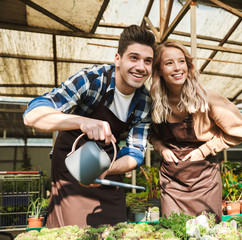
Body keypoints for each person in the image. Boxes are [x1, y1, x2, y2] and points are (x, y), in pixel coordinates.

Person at [23, 25, 156, 228]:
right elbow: (32, 116)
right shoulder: (93, 79)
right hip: (71, 166)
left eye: (148, 61)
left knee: (114, 228)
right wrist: (82, 122)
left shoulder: (144, 101)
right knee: (72, 230)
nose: (141, 67)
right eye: (134, 58)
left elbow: (135, 152)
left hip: (108, 167)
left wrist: (107, 170)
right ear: (118, 59)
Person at [149, 40, 242, 223]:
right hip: (171, 180)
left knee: (207, 229)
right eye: (169, 63)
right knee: (173, 229)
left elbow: (237, 130)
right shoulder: (153, 102)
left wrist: (203, 150)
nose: (177, 68)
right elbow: (150, 134)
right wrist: (161, 149)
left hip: (204, 179)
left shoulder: (207, 98)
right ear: (159, 70)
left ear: (188, 65)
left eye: (181, 61)